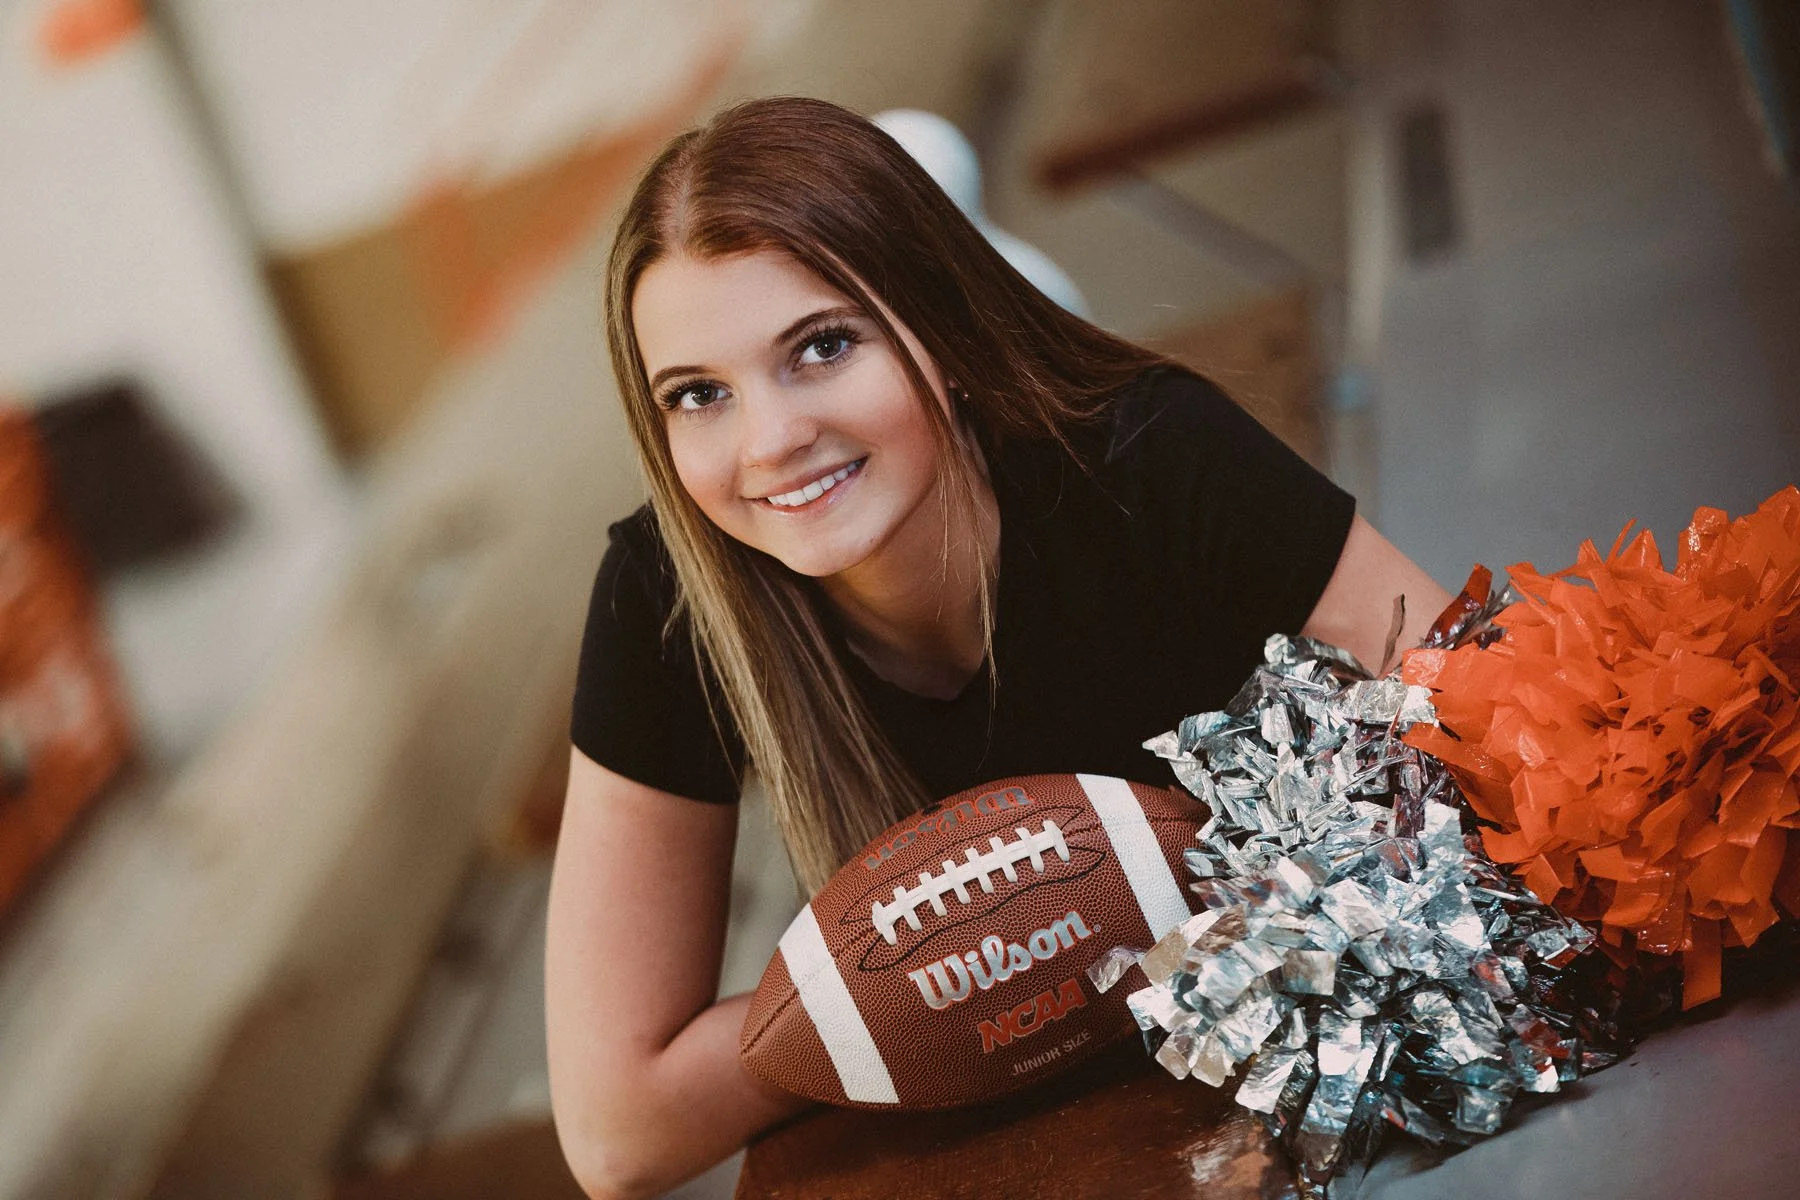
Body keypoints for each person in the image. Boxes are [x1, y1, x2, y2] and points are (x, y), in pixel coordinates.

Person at [545, 96, 1450, 1200]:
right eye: (698, 395)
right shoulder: (667, 595)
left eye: (822, 346)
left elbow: (1492, 720)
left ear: (944, 325)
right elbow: (616, 1134)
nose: (768, 443)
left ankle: (965, 214)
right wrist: (932, 986)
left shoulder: (1152, 452)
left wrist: (1137, 897)